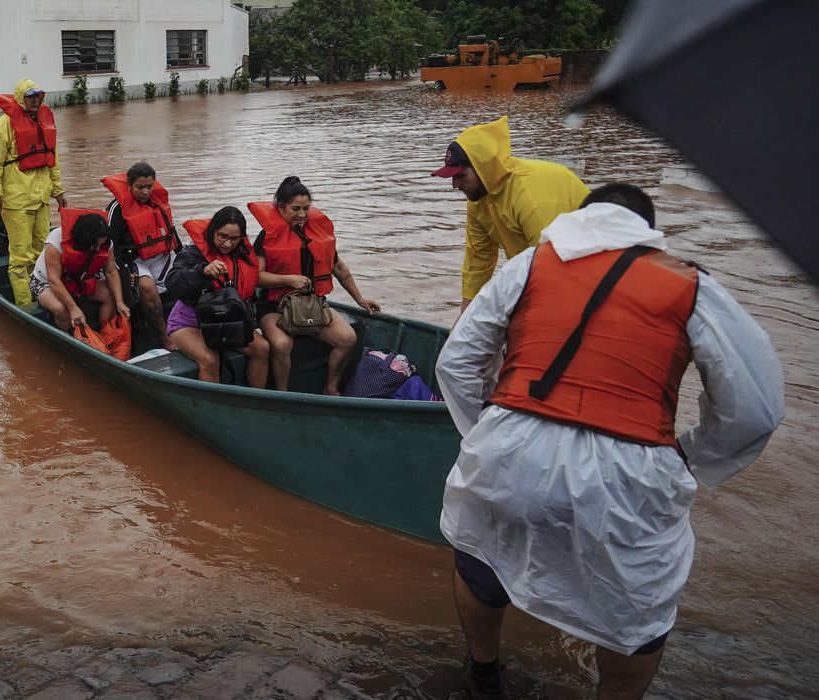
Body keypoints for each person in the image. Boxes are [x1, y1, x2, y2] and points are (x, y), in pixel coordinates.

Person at [435, 184, 785, 699]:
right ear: (647, 229)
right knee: (635, 615)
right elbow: (754, 410)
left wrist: (490, 429)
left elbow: (457, 363)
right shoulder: (691, 286)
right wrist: (691, 457)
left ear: (579, 217)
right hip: (631, 469)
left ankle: (483, 676)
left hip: (509, 447)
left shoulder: (530, 264)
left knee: (481, 557)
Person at [432, 115, 590, 313]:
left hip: (588, 272)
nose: (455, 185)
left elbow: (554, 270)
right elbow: (477, 265)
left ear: (484, 168)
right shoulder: (478, 200)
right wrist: (463, 324)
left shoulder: (530, 196)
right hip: (544, 269)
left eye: (460, 176)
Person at [248, 176, 380, 395]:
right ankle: (282, 394)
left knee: (347, 339)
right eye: (295, 209)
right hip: (274, 308)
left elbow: (339, 269)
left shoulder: (319, 234)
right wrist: (289, 279)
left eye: (306, 208)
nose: (301, 215)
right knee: (281, 345)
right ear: (281, 208)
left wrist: (360, 299)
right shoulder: (266, 237)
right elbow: (257, 277)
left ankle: (331, 387)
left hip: (312, 303)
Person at [164, 207, 271, 387]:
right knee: (210, 359)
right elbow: (173, 282)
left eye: (234, 239)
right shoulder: (194, 252)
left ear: (242, 238)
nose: (228, 244)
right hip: (189, 324)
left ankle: (255, 401)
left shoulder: (243, 254)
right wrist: (202, 272)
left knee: (262, 349)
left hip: (227, 322)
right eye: (222, 236)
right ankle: (211, 411)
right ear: (213, 231)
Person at [0, 79, 68, 305]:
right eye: (30, 97)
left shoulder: (44, 123)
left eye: (37, 97)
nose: (34, 100)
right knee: (21, 258)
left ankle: (44, 297)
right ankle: (26, 305)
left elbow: (53, 161)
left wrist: (58, 191)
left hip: (41, 200)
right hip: (16, 201)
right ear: (21, 98)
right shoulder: (4, 124)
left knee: (43, 253)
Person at [101, 161, 181, 350]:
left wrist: (183, 257)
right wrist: (123, 271)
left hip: (161, 254)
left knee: (189, 277)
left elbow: (171, 231)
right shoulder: (117, 209)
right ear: (129, 186)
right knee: (147, 288)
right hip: (134, 259)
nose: (146, 192)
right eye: (140, 187)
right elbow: (111, 246)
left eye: (149, 186)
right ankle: (163, 333)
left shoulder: (158, 202)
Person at [31, 209, 128, 331]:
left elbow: (111, 271)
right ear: (83, 239)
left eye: (100, 245)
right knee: (61, 309)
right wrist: (73, 308)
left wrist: (120, 303)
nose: (97, 249)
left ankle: (105, 335)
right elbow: (54, 280)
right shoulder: (56, 239)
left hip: (81, 280)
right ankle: (74, 340)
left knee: (111, 295)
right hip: (46, 283)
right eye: (94, 245)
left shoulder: (106, 243)